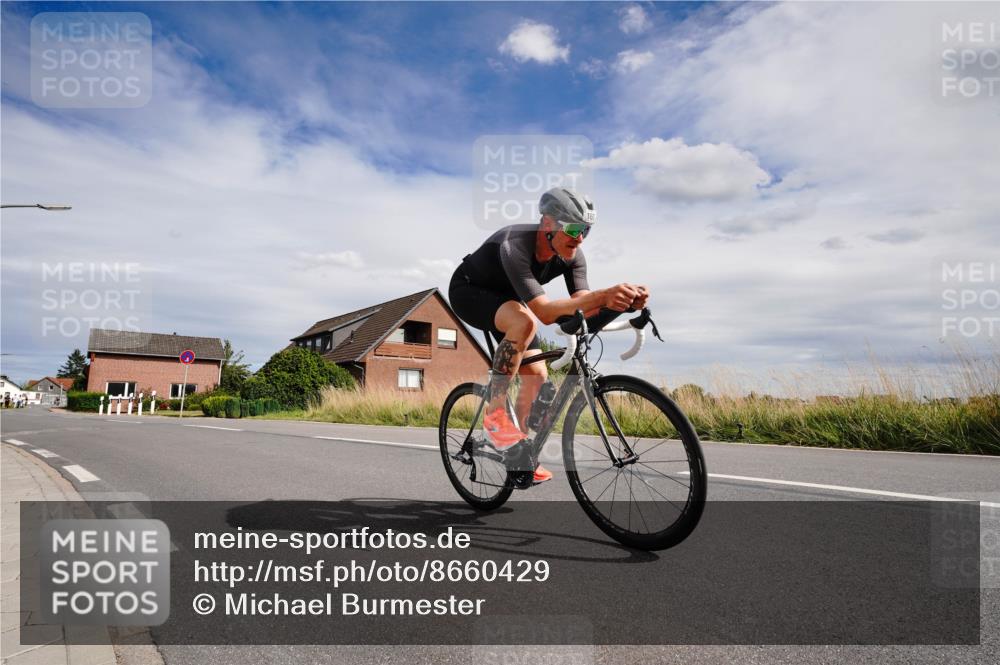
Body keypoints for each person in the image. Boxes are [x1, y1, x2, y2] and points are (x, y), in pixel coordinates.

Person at [449, 187, 648, 483]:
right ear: (547, 224)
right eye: (573, 228)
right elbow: (543, 311)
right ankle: (495, 417)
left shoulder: (573, 256)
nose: (580, 237)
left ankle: (518, 455)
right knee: (526, 322)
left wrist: (619, 305)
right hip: (469, 290)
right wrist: (603, 295)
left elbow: (583, 308)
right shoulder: (513, 244)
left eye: (586, 230)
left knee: (537, 377)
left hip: (510, 301)